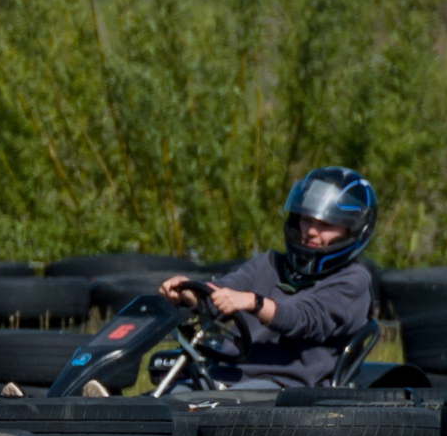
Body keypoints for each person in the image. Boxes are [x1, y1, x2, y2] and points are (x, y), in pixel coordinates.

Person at [158, 167, 377, 389]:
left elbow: (305, 318)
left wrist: (254, 303)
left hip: (288, 389)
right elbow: (220, 293)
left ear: (353, 231)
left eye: (325, 225)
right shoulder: (268, 264)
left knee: (229, 402)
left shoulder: (353, 281)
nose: (311, 231)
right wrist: (187, 293)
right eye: (306, 220)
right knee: (171, 397)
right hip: (227, 377)